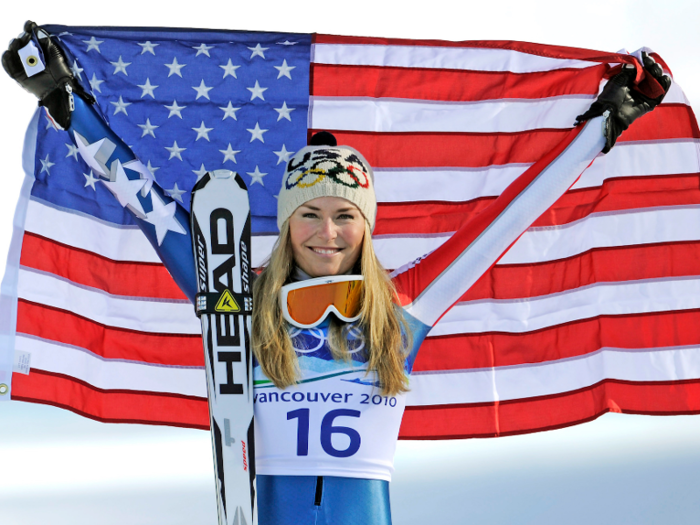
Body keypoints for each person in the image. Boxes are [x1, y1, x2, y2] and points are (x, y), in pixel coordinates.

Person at [3, 21, 670, 525]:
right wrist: (66, 104)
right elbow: (150, 206)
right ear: (288, 221)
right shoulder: (237, 300)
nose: (328, 231)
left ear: (366, 225)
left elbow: (507, 221)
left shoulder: (403, 310)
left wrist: (607, 123)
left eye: (346, 215)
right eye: (310, 214)